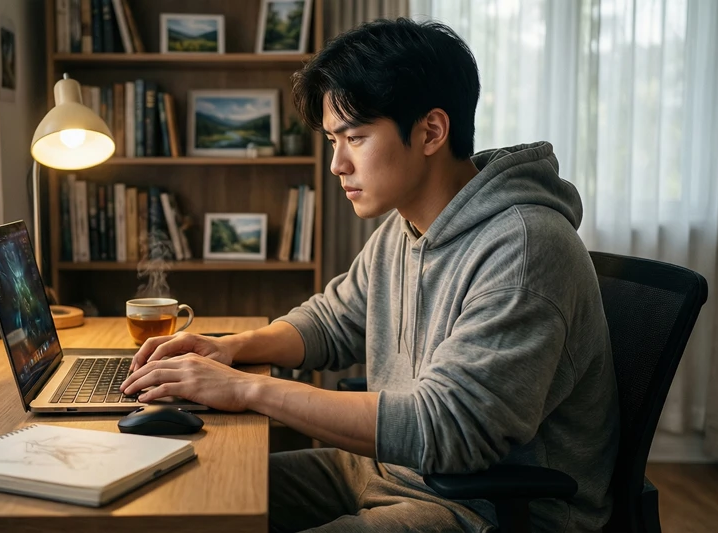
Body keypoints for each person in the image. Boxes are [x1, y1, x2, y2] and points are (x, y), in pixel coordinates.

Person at [120, 17, 619, 533]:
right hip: (384, 471)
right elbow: (334, 321)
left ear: (431, 131)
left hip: (482, 507)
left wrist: (247, 390)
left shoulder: (525, 247)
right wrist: (231, 348)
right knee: (183, 494)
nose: (337, 164)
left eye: (355, 137)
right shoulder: (404, 228)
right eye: (332, 140)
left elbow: (449, 429)